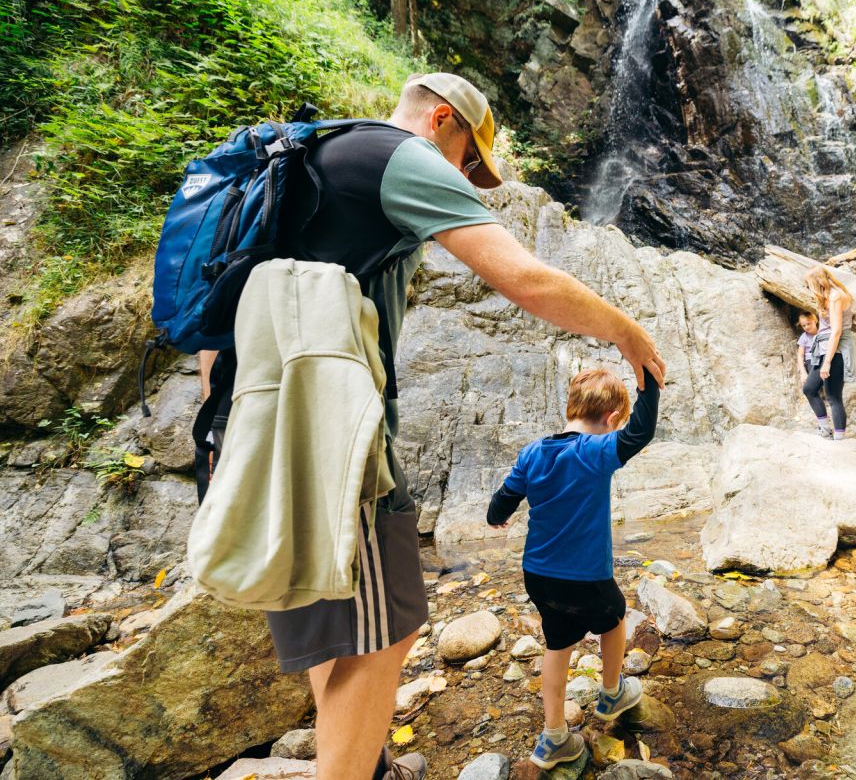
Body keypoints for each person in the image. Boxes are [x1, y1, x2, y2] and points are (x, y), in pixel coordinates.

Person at [197, 73, 667, 780]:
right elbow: (526, 279)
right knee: (388, 627)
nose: (468, 179)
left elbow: (217, 306)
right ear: (441, 120)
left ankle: (365, 763)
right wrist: (628, 333)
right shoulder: (401, 157)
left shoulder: (307, 160)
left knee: (327, 619)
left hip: (241, 421)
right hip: (323, 434)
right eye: (469, 160)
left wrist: (229, 437)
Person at [485, 367, 659, 769]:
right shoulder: (593, 452)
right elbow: (640, 433)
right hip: (585, 577)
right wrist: (649, 381)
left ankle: (554, 737)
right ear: (612, 420)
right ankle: (612, 693)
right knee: (614, 615)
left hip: (539, 576)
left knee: (558, 642)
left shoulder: (532, 453)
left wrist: (498, 517)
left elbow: (503, 500)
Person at [802, 265, 856, 440]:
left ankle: (839, 439)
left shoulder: (835, 297)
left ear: (818, 282)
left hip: (836, 350)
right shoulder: (829, 296)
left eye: (810, 284)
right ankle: (825, 428)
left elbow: (837, 331)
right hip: (824, 348)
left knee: (833, 396)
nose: (809, 288)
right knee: (810, 388)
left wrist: (827, 362)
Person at [795, 311, 819, 380]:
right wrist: (803, 372)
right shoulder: (804, 337)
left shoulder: (821, 333)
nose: (806, 327)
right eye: (804, 325)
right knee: (815, 374)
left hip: (822, 358)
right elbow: (800, 355)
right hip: (811, 360)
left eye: (808, 324)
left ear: (814, 320)